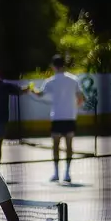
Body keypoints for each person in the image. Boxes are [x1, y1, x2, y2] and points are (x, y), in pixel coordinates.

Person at [31, 55, 85, 183]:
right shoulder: (73, 79)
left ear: (53, 66)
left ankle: (56, 173)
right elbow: (81, 98)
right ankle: (67, 173)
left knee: (56, 145)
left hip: (57, 117)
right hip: (70, 116)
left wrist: (31, 89)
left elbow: (39, 94)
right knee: (69, 146)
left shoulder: (50, 81)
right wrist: (74, 107)